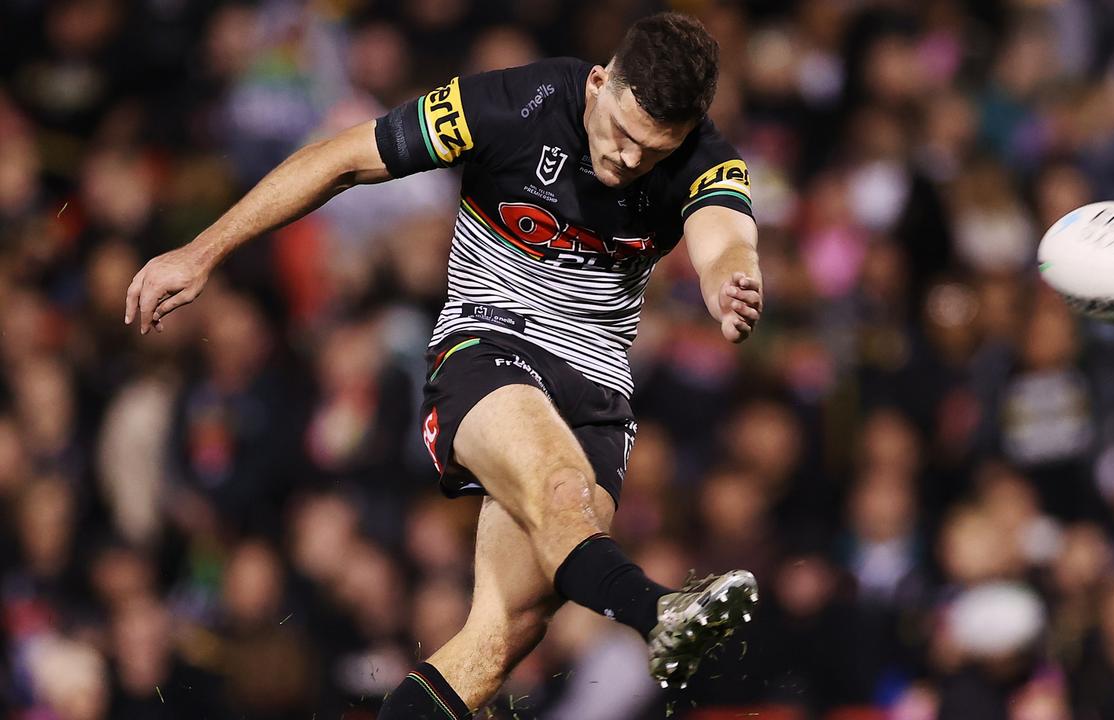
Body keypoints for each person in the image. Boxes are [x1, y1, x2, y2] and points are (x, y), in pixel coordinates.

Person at [123, 12, 762, 719]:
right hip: (491, 346)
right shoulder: (504, 103)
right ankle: (660, 611)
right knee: (560, 493)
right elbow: (339, 160)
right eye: (623, 133)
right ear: (601, 81)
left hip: (598, 389)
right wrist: (201, 252)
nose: (629, 161)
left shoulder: (705, 158)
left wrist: (728, 283)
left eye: (654, 150)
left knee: (502, 634)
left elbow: (725, 240)